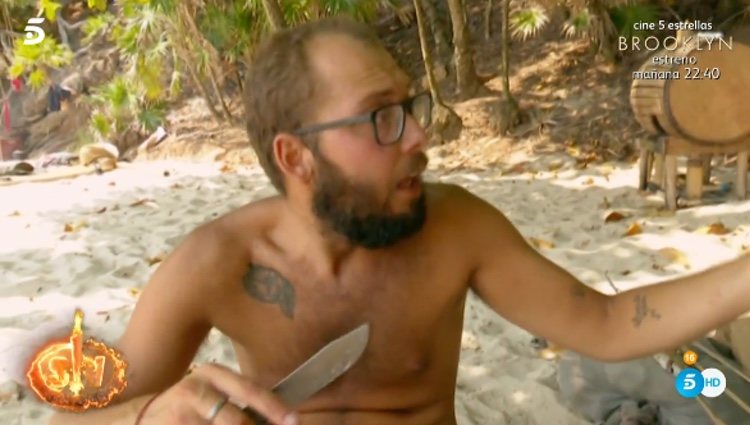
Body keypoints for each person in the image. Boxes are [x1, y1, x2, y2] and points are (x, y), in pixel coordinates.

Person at [48, 17, 750, 425]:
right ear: (297, 157)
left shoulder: (456, 229)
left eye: (410, 108)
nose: (420, 137)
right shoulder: (215, 262)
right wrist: (148, 414)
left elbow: (604, 325)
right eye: (382, 117)